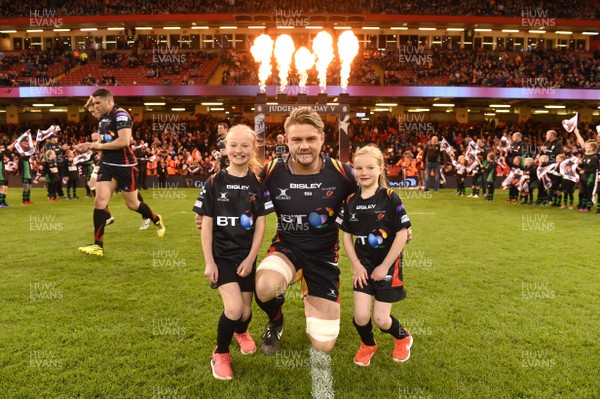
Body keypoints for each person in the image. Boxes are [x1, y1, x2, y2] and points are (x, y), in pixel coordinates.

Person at [193, 124, 273, 380]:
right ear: (225, 148)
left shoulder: (258, 184)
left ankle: (241, 332)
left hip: (245, 258)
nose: (239, 150)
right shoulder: (215, 182)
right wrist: (209, 262)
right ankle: (221, 352)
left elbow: (260, 224)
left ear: (253, 149)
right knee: (235, 309)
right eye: (233, 145)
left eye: (245, 145)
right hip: (222, 258)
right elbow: (205, 225)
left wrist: (251, 259)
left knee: (246, 313)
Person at [336, 145, 412, 367]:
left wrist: (384, 266)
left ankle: (403, 337)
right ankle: (368, 345)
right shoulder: (350, 201)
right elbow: (347, 237)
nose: (364, 172)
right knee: (360, 317)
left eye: (370, 167)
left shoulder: (390, 197)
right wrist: (357, 265)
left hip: (388, 265)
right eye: (358, 168)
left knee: (380, 319)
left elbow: (401, 234)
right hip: (363, 265)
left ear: (381, 169)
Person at [76, 88, 165, 257]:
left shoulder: (121, 114)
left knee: (133, 205)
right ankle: (98, 246)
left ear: (109, 101)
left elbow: (124, 141)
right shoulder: (102, 118)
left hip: (125, 166)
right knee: (99, 201)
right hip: (107, 165)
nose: (95, 107)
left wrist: (98, 146)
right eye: (93, 103)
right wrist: (88, 145)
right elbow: (104, 140)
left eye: (98, 103)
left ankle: (156, 219)